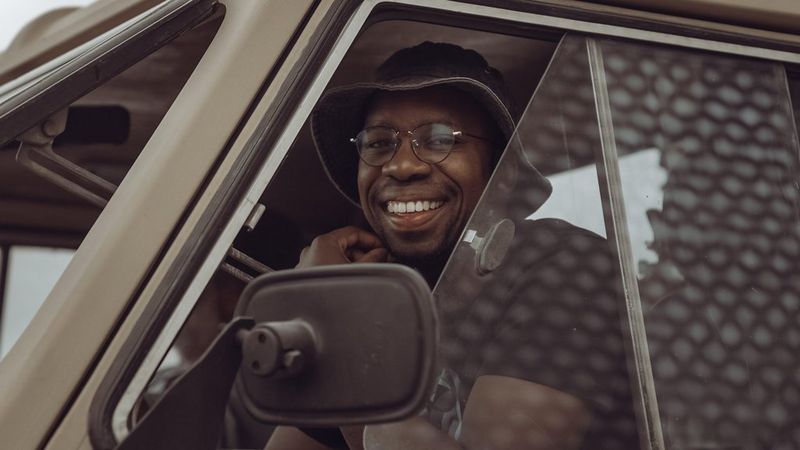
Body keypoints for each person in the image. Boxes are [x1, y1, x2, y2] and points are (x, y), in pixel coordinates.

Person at [265, 41, 637, 450]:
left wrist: (332, 322)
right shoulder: (389, 299)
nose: (401, 165)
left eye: (440, 139)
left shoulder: (567, 269)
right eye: (378, 143)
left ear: (502, 173)